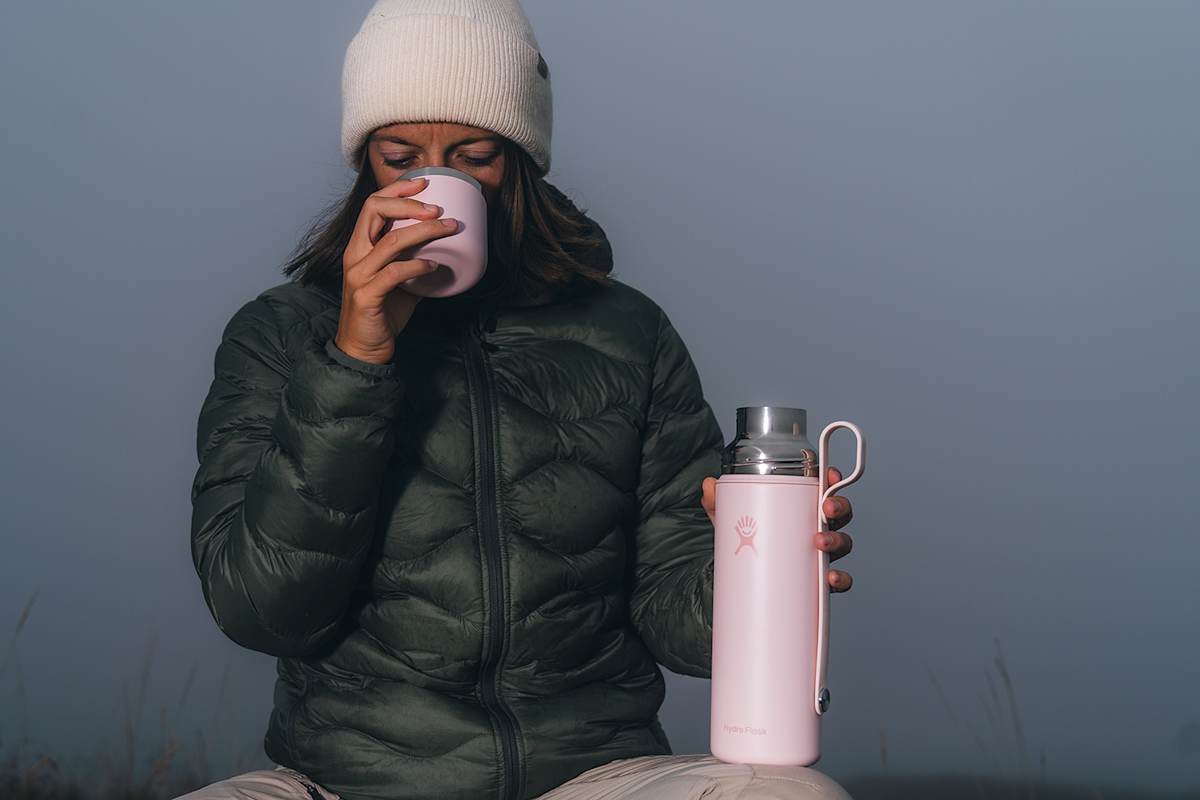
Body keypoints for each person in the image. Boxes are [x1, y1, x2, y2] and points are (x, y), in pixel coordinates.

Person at [180, 2, 858, 799]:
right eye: (403, 155)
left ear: (521, 163)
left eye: (474, 155)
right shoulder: (280, 333)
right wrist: (356, 358)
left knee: (792, 794)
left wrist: (762, 568)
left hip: (595, 774)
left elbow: (684, 627)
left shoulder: (625, 333)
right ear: (366, 162)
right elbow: (260, 611)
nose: (436, 185)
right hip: (348, 779)